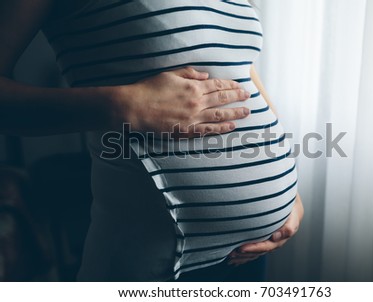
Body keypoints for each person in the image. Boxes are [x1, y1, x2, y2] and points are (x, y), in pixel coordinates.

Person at [0, 0, 304, 281]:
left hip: (250, 255)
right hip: (157, 265)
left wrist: (289, 192)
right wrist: (128, 104)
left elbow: (242, 75)